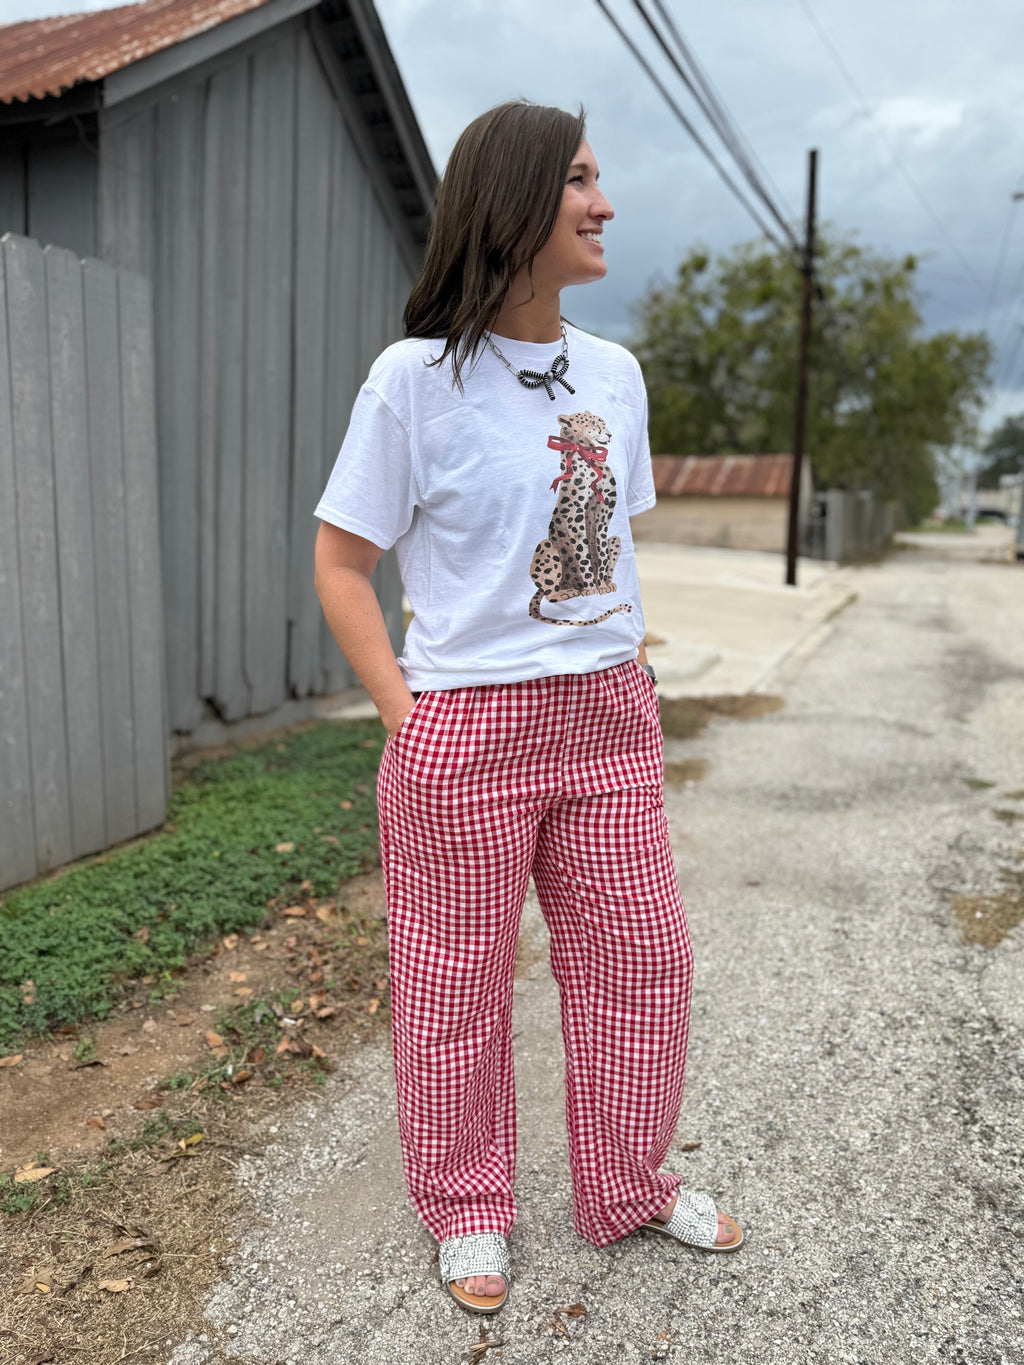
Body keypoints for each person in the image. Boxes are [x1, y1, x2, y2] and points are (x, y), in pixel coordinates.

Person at [313, 100, 742, 1316]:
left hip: (606, 717)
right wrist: (411, 716)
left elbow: (609, 550)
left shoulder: (615, 373)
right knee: (456, 981)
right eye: (580, 182)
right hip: (466, 729)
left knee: (645, 963)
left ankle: (624, 1185)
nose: (604, 205)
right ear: (509, 201)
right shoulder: (414, 381)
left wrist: (629, 666)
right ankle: (467, 1208)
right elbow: (342, 565)